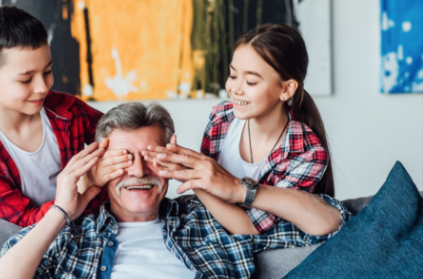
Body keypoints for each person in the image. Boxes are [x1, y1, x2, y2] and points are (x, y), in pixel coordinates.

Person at [0, 102, 351, 279]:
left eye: (151, 158)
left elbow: (331, 223)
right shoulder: (71, 237)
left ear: (170, 159)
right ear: (99, 163)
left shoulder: (207, 218)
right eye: (123, 160)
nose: (137, 172)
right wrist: (64, 209)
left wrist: (234, 189)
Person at [143, 24, 336, 235]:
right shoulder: (221, 119)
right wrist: (191, 171)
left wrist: (195, 179)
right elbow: (211, 203)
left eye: (251, 81)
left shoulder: (307, 153)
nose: (235, 89)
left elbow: (250, 228)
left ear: (286, 89)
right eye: (233, 76)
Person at [0, 7, 131, 227]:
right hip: (41, 241)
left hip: (101, 223)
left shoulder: (70, 110)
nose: (43, 86)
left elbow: (125, 140)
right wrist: (88, 182)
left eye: (47, 71)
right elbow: (25, 222)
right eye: (26, 80)